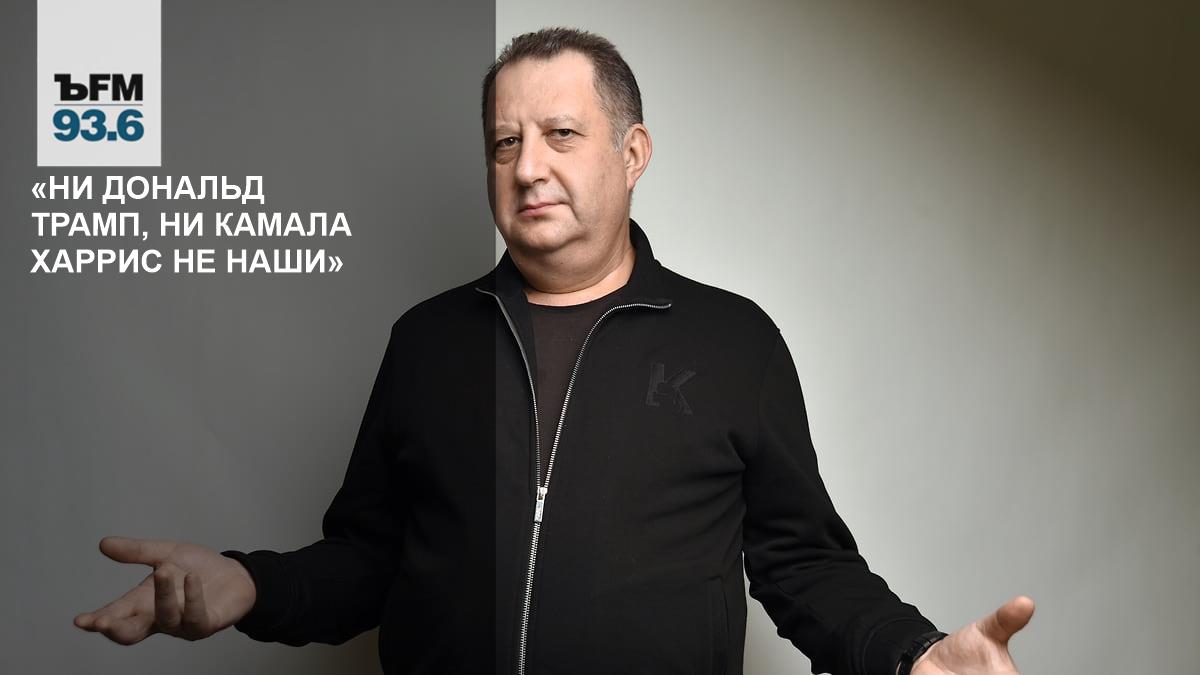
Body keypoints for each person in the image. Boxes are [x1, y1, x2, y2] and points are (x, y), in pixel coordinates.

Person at [74, 27, 1034, 675]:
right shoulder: (427, 342)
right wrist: (249, 583)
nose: (527, 166)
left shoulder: (734, 340)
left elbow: (803, 563)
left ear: (633, 152)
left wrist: (911, 654)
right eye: (504, 143)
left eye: (561, 134)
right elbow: (368, 559)